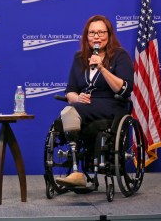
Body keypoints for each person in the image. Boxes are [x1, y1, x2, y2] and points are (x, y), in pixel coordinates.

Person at [55, 15, 134, 187]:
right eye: (92, 33)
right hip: (84, 105)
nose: (96, 36)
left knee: (69, 112)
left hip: (112, 104)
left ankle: (77, 172)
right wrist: (77, 98)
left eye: (101, 32)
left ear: (109, 34)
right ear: (86, 36)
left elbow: (125, 89)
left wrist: (102, 68)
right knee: (69, 111)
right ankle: (77, 171)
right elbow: (70, 90)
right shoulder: (79, 58)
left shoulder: (120, 56)